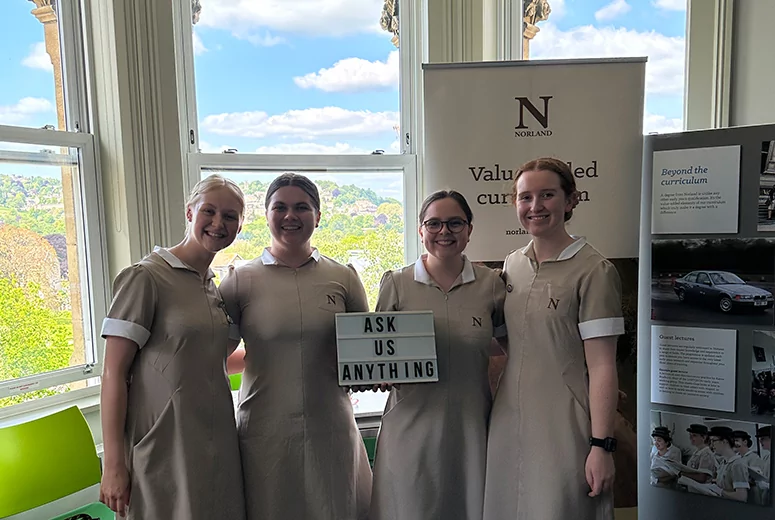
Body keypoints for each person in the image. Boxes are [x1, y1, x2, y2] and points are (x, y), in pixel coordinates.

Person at [220, 172, 372, 520]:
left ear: (317, 216)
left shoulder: (343, 277)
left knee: (336, 506)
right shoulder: (239, 280)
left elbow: (363, 348)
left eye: (302, 207)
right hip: (265, 427)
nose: (291, 216)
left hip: (329, 421)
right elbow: (220, 355)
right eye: (280, 207)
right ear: (266, 214)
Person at [483, 157, 624, 520]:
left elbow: (603, 365)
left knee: (559, 508)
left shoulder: (594, 270)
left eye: (547, 195)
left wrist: (601, 445)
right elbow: (512, 343)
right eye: (525, 197)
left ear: (571, 200)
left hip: (566, 425)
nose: (535, 206)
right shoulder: (512, 265)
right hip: (509, 419)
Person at [99, 174, 246, 519]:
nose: (217, 223)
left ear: (240, 226)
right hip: (162, 442)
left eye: (229, 216)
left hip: (214, 439)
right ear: (189, 212)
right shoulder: (146, 278)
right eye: (208, 211)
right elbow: (113, 373)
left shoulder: (212, 288)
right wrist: (114, 463)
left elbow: (214, 359)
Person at [367, 190, 506, 520]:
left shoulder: (492, 284)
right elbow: (376, 353)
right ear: (420, 230)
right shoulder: (397, 284)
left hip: (471, 426)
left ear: (470, 230)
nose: (444, 231)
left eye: (455, 223)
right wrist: (379, 373)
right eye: (434, 223)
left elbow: (507, 345)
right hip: (409, 427)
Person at [710, 426, 750, 502]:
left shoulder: (737, 464)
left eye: (713, 441)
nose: (711, 445)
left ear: (725, 441)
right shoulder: (724, 462)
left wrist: (720, 491)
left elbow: (742, 497)